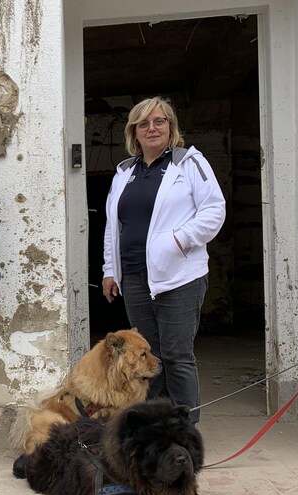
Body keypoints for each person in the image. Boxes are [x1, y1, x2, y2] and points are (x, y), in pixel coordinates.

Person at [101, 96, 226, 424]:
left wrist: (179, 240)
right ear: (134, 132)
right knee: (147, 358)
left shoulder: (189, 163)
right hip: (135, 277)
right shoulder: (124, 173)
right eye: (144, 123)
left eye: (159, 121)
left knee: (176, 355)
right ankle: (155, 427)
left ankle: (185, 429)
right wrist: (110, 270)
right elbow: (113, 226)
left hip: (180, 276)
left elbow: (214, 210)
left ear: (171, 128)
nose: (152, 128)